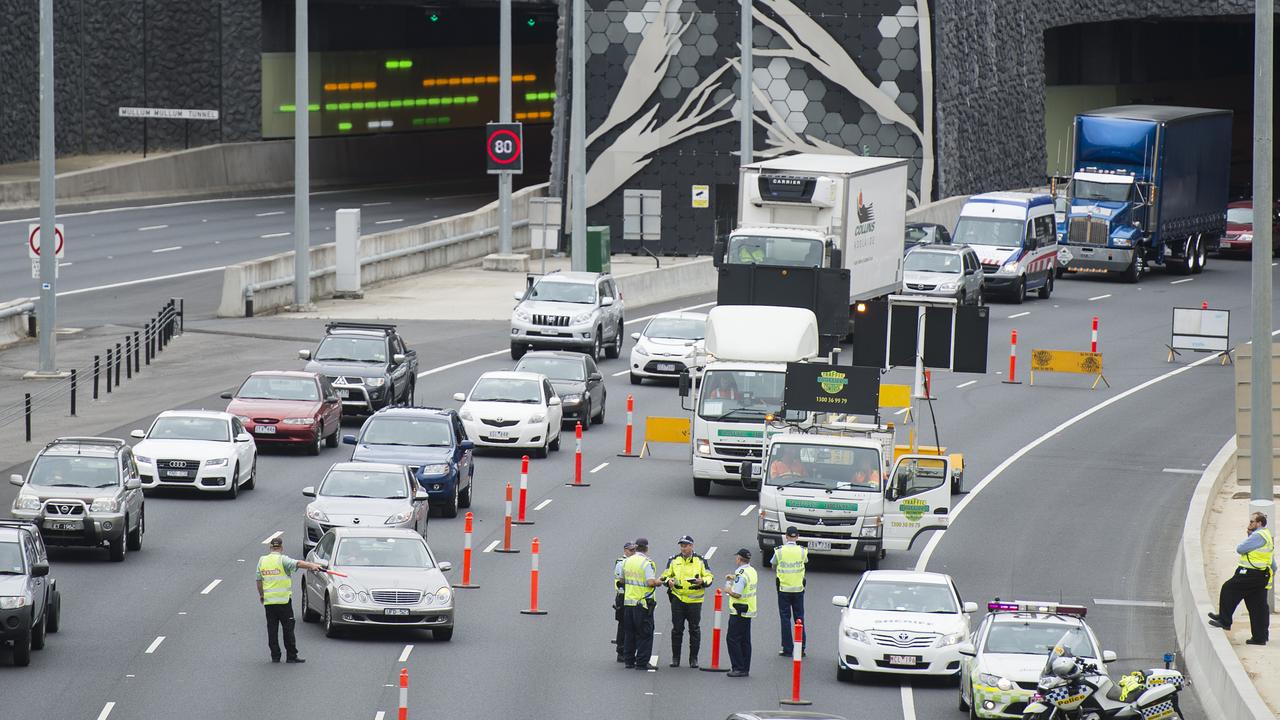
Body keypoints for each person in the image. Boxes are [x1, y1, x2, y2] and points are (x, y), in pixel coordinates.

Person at [1209, 511, 1274, 645]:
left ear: (1259, 523)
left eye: (1252, 522)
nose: (1249, 524)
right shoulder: (1266, 535)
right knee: (1257, 606)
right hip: (1260, 575)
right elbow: (1273, 564)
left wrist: (1249, 536)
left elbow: (1240, 548)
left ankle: (1224, 620)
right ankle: (1260, 637)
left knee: (1228, 588)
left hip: (1251, 574)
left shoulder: (1258, 536)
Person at [256, 536, 325, 663]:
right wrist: (312, 565)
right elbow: (298, 563)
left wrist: (262, 595)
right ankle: (291, 656)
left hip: (269, 602)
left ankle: (275, 656)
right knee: (288, 629)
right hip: (283, 602)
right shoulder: (282, 560)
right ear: (281, 548)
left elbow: (259, 581)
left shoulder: (262, 561)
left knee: (272, 629)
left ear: (270, 547)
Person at [660, 535, 714, 668]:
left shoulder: (700, 560)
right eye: (681, 545)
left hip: (695, 601)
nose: (683, 548)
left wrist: (703, 581)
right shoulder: (673, 560)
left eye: (685, 545)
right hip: (678, 599)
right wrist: (668, 581)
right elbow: (665, 575)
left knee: (694, 629)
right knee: (677, 630)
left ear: (691, 546)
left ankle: (693, 659)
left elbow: (709, 576)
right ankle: (675, 658)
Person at [622, 537, 662, 670]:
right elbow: (650, 582)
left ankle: (628, 660)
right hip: (642, 603)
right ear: (647, 548)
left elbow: (622, 579)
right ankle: (641, 662)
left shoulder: (627, 561)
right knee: (645, 633)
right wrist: (659, 581)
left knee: (629, 632)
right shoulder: (646, 563)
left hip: (628, 603)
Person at [772, 527, 808, 657]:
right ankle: (801, 648)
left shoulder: (779, 551)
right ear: (797, 537)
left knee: (785, 618)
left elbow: (773, 564)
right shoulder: (803, 551)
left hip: (784, 589)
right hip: (798, 589)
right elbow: (805, 561)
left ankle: (787, 648)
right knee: (799, 618)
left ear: (786, 536)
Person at [724, 548, 758, 678]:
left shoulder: (741, 573)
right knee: (745, 640)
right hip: (748, 609)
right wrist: (734, 577)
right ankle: (745, 667)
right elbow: (746, 582)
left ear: (739, 558)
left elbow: (737, 593)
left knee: (732, 639)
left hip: (738, 610)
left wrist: (728, 589)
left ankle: (738, 667)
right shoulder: (752, 571)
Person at [613, 542, 636, 661]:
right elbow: (621, 578)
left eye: (634, 550)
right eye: (631, 550)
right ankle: (621, 651)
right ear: (625, 550)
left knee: (633, 624)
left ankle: (631, 650)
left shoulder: (636, 561)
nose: (633, 553)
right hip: (622, 596)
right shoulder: (621, 561)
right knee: (623, 624)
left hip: (633, 595)